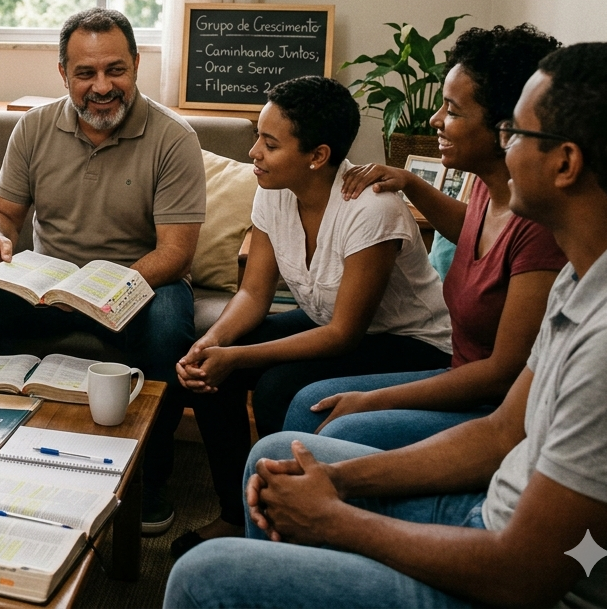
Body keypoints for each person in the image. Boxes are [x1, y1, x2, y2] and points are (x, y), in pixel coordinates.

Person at [166, 41, 607, 609]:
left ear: (565, 163)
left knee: (203, 575)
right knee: (273, 456)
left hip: (510, 570)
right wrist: (334, 484)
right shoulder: (585, 276)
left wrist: (333, 518)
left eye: (515, 133)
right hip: (489, 512)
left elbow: (528, 574)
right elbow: (500, 433)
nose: (501, 146)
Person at [0, 8, 205, 535]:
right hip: (48, 288)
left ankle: (148, 477)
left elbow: (176, 252)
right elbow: (4, 212)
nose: (102, 87)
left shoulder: (174, 138)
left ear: (136, 66)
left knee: (174, 322)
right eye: (86, 74)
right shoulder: (35, 127)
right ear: (63, 73)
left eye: (116, 70)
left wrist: (113, 289)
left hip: (138, 288)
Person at [171, 76, 452, 556]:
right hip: (334, 325)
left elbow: (344, 334)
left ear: (317, 156)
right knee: (209, 371)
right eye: (258, 136)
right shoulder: (273, 189)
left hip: (411, 339)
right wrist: (213, 343)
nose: (254, 152)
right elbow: (253, 295)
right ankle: (236, 515)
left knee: (278, 385)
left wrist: (238, 357)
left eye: (270, 143)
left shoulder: (371, 209)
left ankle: (287, 524)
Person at [283, 25, 565, 449]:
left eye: (451, 111)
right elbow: (472, 231)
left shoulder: (538, 229)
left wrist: (373, 399)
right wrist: (412, 183)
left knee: (332, 420)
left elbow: (502, 373)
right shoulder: (491, 190)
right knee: (309, 401)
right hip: (460, 372)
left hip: (495, 407)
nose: (435, 120)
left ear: (504, 129)